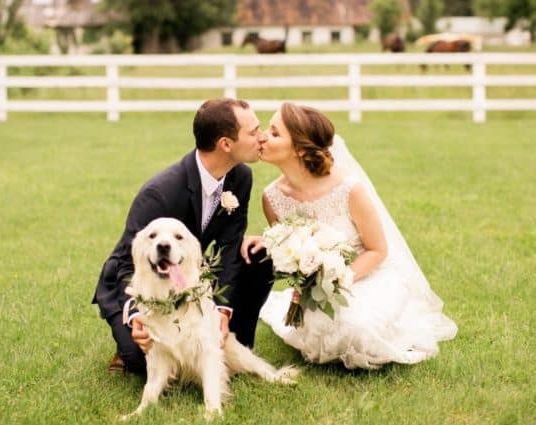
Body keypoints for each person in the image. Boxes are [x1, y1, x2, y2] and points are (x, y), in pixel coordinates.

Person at [242, 102, 457, 369]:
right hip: (318, 288)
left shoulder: (348, 189)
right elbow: (289, 253)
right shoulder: (272, 198)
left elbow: (378, 250)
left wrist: (341, 278)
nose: (262, 136)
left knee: (359, 327)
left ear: (299, 148)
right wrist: (272, 244)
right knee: (323, 327)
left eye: (274, 133)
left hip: (369, 276)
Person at [93, 98, 274, 375]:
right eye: (253, 132)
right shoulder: (160, 192)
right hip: (138, 283)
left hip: (186, 274)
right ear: (226, 144)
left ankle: (234, 337)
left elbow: (229, 247)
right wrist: (137, 315)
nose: (261, 138)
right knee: (141, 360)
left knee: (258, 256)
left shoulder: (240, 178)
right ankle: (125, 346)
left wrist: (223, 312)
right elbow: (128, 265)